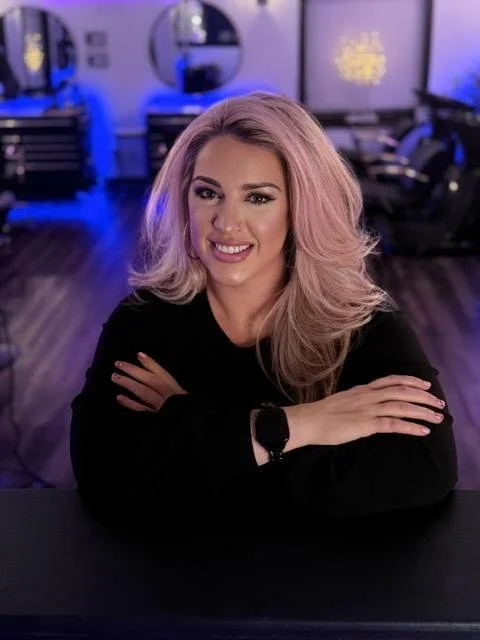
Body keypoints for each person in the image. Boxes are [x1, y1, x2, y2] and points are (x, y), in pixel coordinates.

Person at [70, 92, 457, 518]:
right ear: (184, 200)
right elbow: (101, 471)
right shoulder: (142, 321)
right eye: (207, 193)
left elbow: (426, 469)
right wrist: (301, 424)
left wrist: (194, 428)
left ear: (300, 208)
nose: (226, 223)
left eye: (258, 197)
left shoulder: (363, 321)